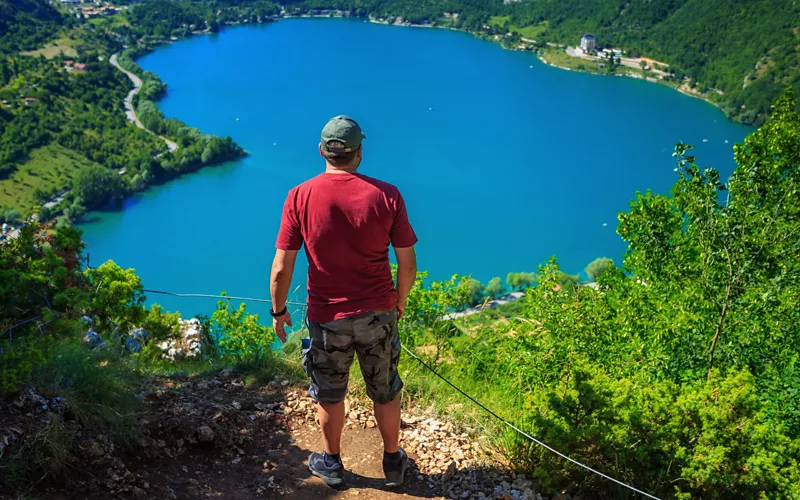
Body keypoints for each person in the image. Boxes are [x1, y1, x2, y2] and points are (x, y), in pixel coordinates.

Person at [269, 115, 418, 487]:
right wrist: (398, 302)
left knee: (330, 392)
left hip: (326, 316)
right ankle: (393, 463)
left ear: (322, 150)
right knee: (385, 389)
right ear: (359, 152)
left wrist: (279, 309)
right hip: (378, 313)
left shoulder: (299, 196)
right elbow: (408, 263)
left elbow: (281, 267)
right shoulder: (388, 195)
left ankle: (332, 464)